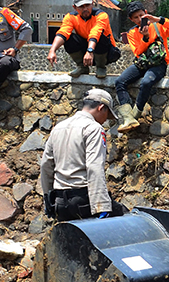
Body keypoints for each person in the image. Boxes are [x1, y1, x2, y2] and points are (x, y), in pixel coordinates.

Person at [39, 88, 126, 221]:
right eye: (107, 115)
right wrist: (101, 207)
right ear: (101, 108)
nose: (105, 121)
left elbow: (46, 165)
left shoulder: (58, 127)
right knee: (125, 218)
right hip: (83, 200)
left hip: (60, 202)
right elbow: (94, 167)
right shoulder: (93, 129)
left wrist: (48, 199)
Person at [115, 1, 169, 132]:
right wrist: (145, 37)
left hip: (159, 64)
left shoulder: (158, 26)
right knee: (120, 81)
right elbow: (138, 52)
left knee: (146, 82)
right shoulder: (132, 33)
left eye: (141, 15)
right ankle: (127, 116)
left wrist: (159, 19)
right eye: (135, 18)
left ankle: (135, 115)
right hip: (142, 63)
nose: (139, 20)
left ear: (145, 13)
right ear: (131, 19)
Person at [46, 0, 119, 79]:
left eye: (87, 5)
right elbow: (63, 32)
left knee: (100, 37)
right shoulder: (70, 17)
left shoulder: (101, 15)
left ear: (92, 4)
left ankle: (101, 67)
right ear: (75, 7)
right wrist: (52, 50)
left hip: (107, 52)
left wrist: (90, 50)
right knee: (69, 39)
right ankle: (82, 67)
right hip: (86, 51)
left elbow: (95, 32)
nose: (85, 9)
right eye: (81, 6)